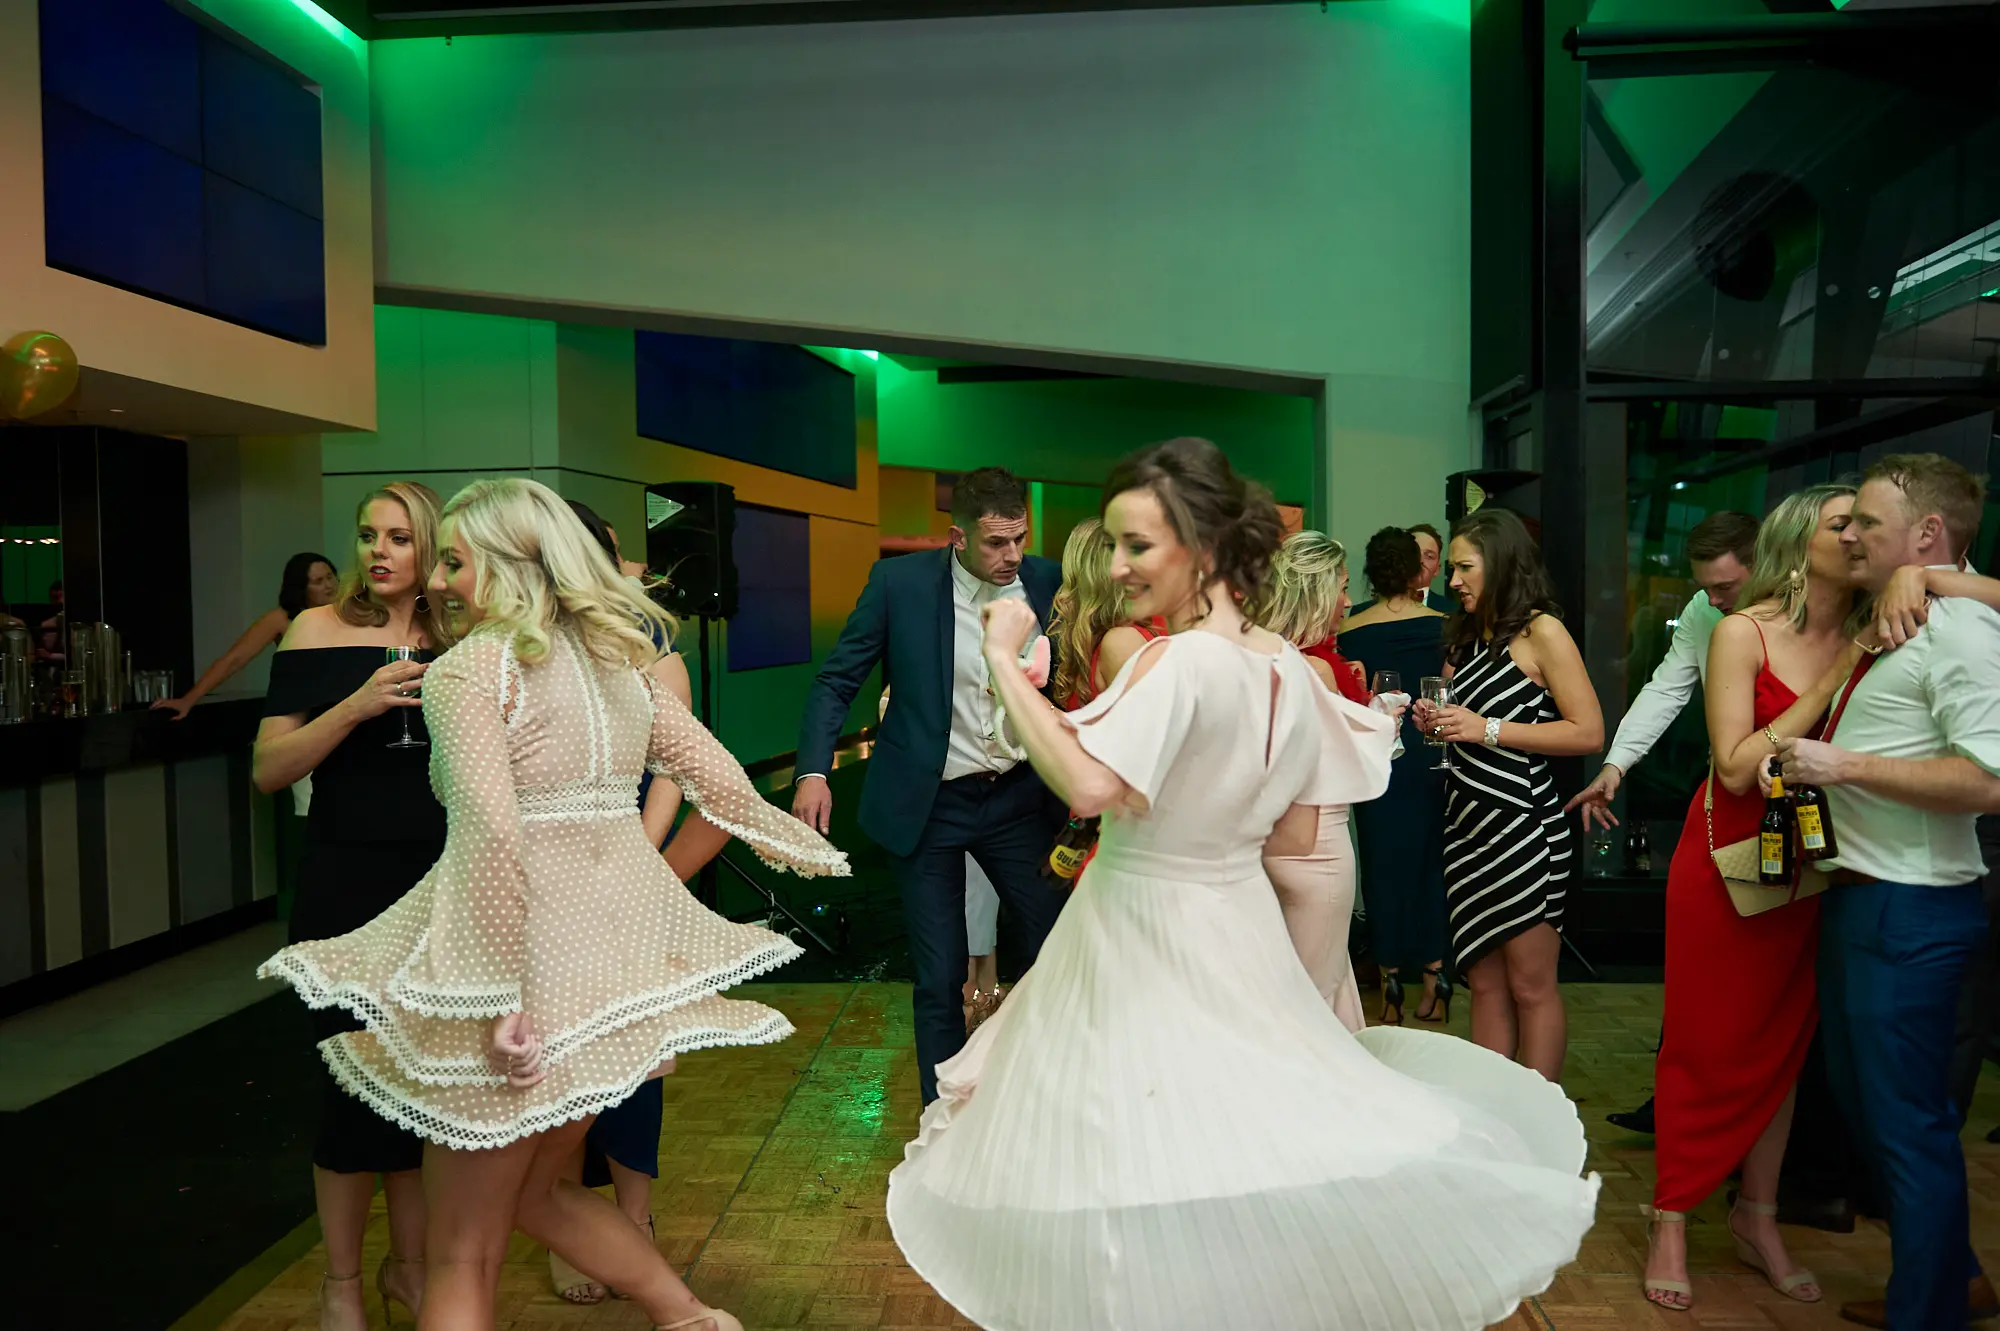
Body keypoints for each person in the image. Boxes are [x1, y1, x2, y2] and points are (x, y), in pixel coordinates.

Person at [884, 438, 1600, 1330]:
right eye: (1114, 545)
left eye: (1138, 545)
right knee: (1228, 1138)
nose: (1118, 566)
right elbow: (1297, 830)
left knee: (1130, 1148)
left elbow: (1091, 786)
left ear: (1207, 549)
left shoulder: (1177, 663)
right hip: (1237, 920)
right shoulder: (1290, 671)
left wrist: (999, 656)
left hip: (1141, 929)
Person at [258, 477, 845, 1331]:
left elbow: (492, 838)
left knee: (461, 1253)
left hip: (521, 986)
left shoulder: (470, 671)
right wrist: (810, 850)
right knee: (540, 1191)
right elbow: (722, 781)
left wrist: (496, 1000)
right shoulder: (618, 669)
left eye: (455, 560)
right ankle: (689, 1318)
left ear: (509, 563)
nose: (442, 580)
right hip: (603, 990)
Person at [1772, 454, 2000, 1330]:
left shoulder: (1958, 633)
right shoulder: (1915, 605)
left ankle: (1928, 1311)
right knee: (1872, 1109)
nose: (1850, 532)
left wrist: (1845, 765)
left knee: (1905, 1123)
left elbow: (1989, 777)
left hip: (1909, 910)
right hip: (1866, 900)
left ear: (1927, 535)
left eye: (1866, 520)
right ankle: (1957, 1277)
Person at [1637, 487, 1858, 1312]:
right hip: (1726, 867)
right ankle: (1670, 1216)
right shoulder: (1741, 630)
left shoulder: (1872, 628)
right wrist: (1834, 676)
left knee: (1781, 1044)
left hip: (1806, 868)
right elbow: (1733, 764)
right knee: (1705, 1040)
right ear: (1803, 543)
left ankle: (1757, 1216)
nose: (1861, 535)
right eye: (1845, 524)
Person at [793, 466, 1067, 1105]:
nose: (1012, 556)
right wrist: (813, 771)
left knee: (1058, 947)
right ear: (957, 536)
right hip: (931, 804)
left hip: (1019, 799)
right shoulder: (901, 585)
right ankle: (942, 1123)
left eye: (1020, 538)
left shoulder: (1049, 582)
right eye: (996, 542)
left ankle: (1039, 1101)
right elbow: (837, 680)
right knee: (940, 975)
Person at [250, 485, 455, 1331]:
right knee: (348, 1084)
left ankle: (408, 1270)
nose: (378, 550)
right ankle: (340, 1281)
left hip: (443, 885)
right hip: (343, 883)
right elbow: (268, 768)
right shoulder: (316, 629)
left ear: (431, 546)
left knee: (419, 1090)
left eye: (400, 537)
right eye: (369, 534)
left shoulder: (465, 636)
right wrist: (356, 706)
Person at [1565, 510, 1759, 1138]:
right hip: (1720, 802)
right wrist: (1615, 765)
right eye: (1705, 585)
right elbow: (1665, 690)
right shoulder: (1706, 614)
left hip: (1783, 804)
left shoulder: (1798, 614)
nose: (1713, 598)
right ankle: (1678, 1101)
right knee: (1694, 957)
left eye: (1726, 586)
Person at [1415, 507, 1602, 1083]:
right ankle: (1494, 1117)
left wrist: (1485, 728)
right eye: (1451, 569)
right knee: (1485, 982)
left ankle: (1537, 1123)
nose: (1453, 582)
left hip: (1523, 828)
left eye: (1464, 567)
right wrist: (1435, 720)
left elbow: (1588, 732)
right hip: (1465, 829)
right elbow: (1462, 717)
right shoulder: (1467, 635)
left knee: (1529, 984)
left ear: (1500, 563)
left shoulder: (1542, 631)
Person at [1258, 530, 1375, 1029]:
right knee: (1313, 1006)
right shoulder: (1318, 672)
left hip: (1264, 847)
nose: (1348, 602)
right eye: (1342, 588)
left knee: (1293, 989)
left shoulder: (1257, 657)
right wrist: (1378, 716)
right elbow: (1353, 764)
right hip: (1318, 849)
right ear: (1317, 593)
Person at [1340, 527, 1451, 1024]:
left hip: (1381, 762)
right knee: (1433, 865)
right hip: (1433, 758)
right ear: (1416, 571)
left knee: (1382, 867)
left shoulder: (1348, 630)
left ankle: (1388, 982)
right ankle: (1435, 978)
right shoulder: (1445, 626)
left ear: (1370, 573)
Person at [154, 552, 340, 720]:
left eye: (330, 577)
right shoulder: (282, 619)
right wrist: (188, 700)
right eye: (318, 581)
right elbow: (234, 659)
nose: (329, 585)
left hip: (346, 713)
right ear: (301, 589)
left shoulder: (350, 613)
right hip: (301, 715)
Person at [1351, 523, 1456, 615]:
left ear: (1437, 569)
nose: (1420, 561)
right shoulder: (1360, 612)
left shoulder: (1453, 611)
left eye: (1429, 556)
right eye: (1415, 553)